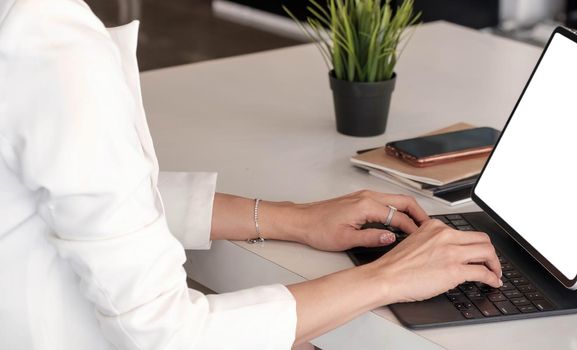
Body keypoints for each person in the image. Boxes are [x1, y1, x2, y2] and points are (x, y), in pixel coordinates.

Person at [0, 0, 502, 348]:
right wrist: (390, 277)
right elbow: (166, 335)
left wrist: (291, 219)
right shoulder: (46, 39)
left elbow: (80, 194)